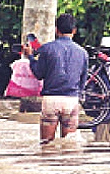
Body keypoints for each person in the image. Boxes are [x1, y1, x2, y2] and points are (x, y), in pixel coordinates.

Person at [25, 13, 88, 144]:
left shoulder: (47, 49)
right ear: (74, 31)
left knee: (46, 144)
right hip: (71, 100)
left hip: (51, 100)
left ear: (56, 30)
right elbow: (83, 81)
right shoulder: (82, 53)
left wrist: (30, 57)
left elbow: (38, 74)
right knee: (69, 146)